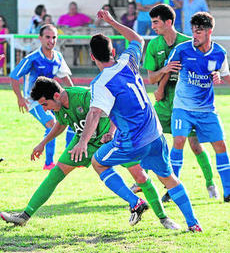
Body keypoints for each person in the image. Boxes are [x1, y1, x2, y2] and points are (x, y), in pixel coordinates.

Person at [68, 9, 202, 232]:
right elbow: (137, 39)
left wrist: (82, 142)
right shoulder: (128, 60)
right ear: (113, 50)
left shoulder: (100, 83)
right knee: (168, 178)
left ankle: (135, 202)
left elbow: (93, 114)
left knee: (98, 162)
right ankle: (193, 223)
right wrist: (111, 21)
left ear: (92, 57)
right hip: (155, 133)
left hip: (133, 141)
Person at [0, 76, 180, 230]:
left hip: (109, 139)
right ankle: (24, 216)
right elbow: (61, 124)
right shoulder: (59, 107)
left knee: (140, 176)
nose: (45, 109)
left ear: (56, 95)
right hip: (82, 142)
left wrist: (111, 132)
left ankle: (163, 218)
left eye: (45, 104)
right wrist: (42, 143)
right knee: (55, 174)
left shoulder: (85, 96)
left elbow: (112, 107)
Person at [143, 4, 219, 203]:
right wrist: (163, 76)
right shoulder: (153, 45)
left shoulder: (189, 42)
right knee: (148, 139)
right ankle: (143, 180)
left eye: (156, 22)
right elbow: (151, 78)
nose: (153, 26)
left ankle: (211, 183)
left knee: (195, 145)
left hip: (187, 105)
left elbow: (207, 66)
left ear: (168, 22)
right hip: (164, 103)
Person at [164, 11, 230, 203]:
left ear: (209, 32)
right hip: (182, 108)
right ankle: (170, 190)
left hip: (207, 110)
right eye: (193, 31)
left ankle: (227, 191)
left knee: (221, 145)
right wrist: (160, 88)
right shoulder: (182, 50)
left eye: (199, 32)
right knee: (178, 142)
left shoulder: (219, 53)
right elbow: (167, 72)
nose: (195, 35)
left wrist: (219, 76)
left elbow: (225, 76)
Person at [9, 24, 74, 170]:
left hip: (52, 100)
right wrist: (20, 98)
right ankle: (49, 163)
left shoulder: (58, 57)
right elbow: (14, 76)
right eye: (47, 37)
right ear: (40, 38)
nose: (51, 40)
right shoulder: (32, 58)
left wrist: (72, 95)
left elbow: (65, 78)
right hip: (34, 101)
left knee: (70, 119)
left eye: (54, 37)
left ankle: (69, 158)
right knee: (51, 124)